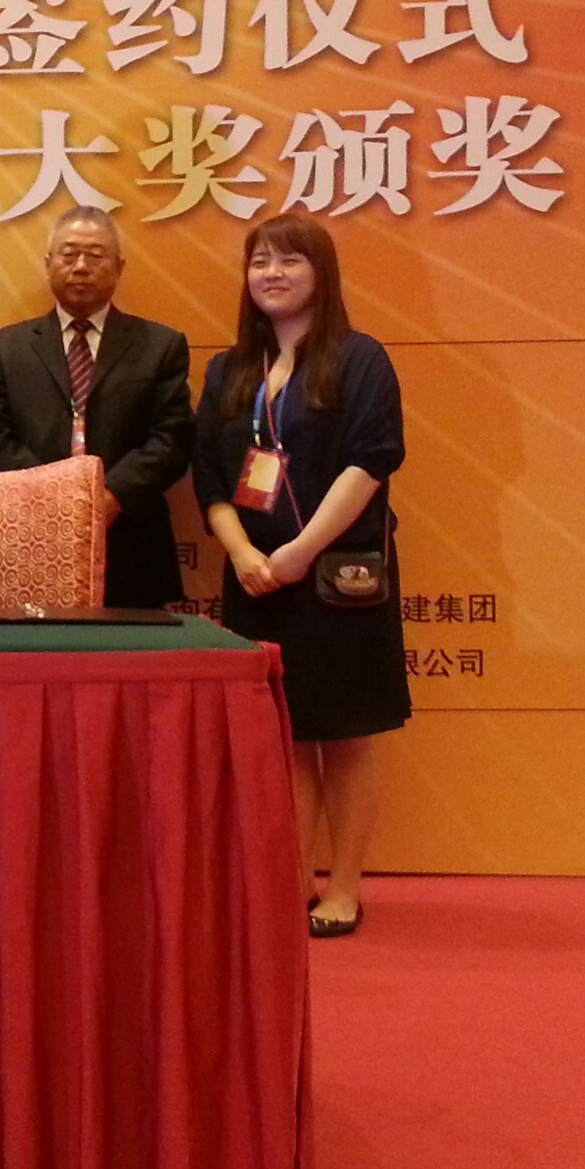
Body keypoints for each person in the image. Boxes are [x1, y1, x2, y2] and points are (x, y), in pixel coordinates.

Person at [191, 215, 408, 938]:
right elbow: (211, 477)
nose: (272, 273)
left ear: (321, 273)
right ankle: (291, 882)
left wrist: (300, 552)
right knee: (280, 736)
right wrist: (241, 552)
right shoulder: (229, 370)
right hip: (255, 579)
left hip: (337, 577)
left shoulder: (359, 358)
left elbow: (372, 461)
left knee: (345, 734)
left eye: (289, 260)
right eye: (260, 261)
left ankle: (343, 889)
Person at [0, 206, 194, 609]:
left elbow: (171, 439)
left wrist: (109, 497)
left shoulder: (160, 346)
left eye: (95, 255)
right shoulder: (4, 349)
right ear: (48, 263)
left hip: (129, 541)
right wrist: (51, 500)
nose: (80, 266)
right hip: (29, 538)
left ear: (119, 266)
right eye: (69, 253)